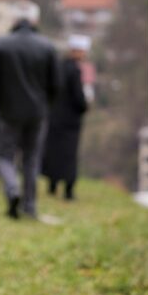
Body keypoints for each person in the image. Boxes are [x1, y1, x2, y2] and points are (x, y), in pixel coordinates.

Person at [0, 5, 61, 219]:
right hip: (38, 112)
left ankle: (12, 188)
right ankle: (30, 206)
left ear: (14, 21)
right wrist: (45, 107)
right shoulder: (47, 47)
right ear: (35, 20)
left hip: (8, 111)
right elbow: (56, 84)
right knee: (32, 159)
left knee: (3, 156)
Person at [42, 34, 91, 201]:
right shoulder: (75, 70)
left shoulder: (59, 66)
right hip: (70, 122)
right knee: (69, 156)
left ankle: (52, 185)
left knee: (54, 153)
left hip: (55, 118)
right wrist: (85, 106)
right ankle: (68, 191)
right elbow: (79, 98)